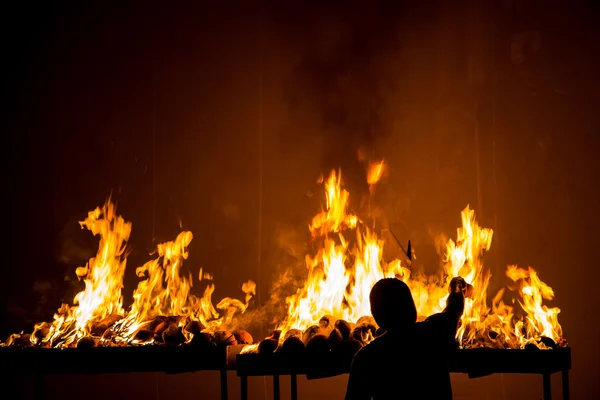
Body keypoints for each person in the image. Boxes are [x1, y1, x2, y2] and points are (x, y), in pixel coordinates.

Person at [345, 276, 473, 400]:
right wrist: (457, 284)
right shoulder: (435, 331)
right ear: (412, 308)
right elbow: (455, 306)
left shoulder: (366, 358)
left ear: (377, 318)